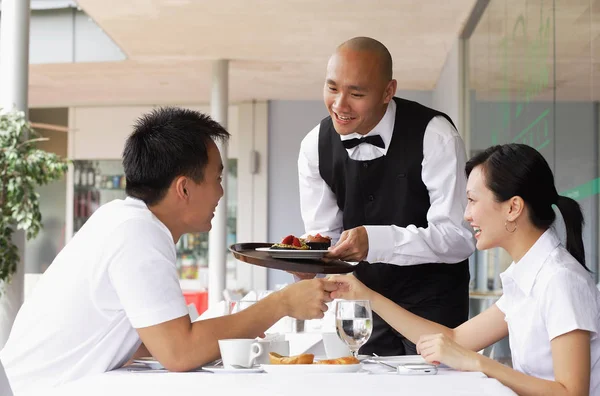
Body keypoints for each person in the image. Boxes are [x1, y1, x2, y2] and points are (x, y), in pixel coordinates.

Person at [0, 107, 337, 393]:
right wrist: (281, 303)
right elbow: (178, 352)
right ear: (184, 188)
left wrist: (238, 325)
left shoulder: (122, 220)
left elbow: (155, 342)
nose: (221, 193)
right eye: (217, 178)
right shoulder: (137, 233)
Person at [331, 143, 600, 395]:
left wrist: (479, 363)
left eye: (472, 200)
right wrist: (365, 295)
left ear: (513, 207)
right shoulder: (529, 277)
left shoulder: (560, 279)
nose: (466, 214)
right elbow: (454, 339)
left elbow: (571, 392)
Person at [295, 36, 475, 355]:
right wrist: (311, 263)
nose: (339, 105)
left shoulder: (436, 136)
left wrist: (376, 242)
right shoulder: (314, 146)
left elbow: (459, 238)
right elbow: (324, 237)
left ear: (388, 91)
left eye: (357, 93)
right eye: (332, 88)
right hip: (360, 311)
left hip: (434, 310)